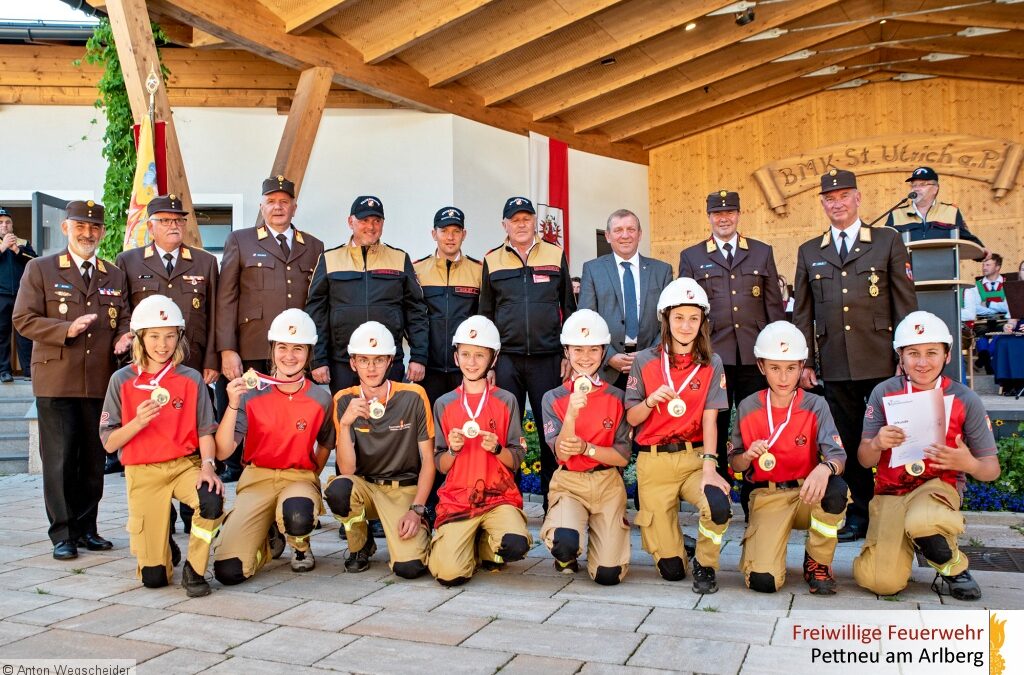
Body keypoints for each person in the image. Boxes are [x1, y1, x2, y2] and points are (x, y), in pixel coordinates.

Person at [793, 169, 917, 543]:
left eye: (844, 196)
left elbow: (906, 304)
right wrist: (806, 363)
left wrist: (906, 354)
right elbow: (802, 312)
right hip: (835, 362)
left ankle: (901, 507)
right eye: (830, 198)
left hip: (881, 359)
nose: (837, 203)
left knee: (892, 435)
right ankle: (860, 513)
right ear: (822, 204)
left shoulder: (887, 241)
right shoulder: (810, 251)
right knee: (847, 439)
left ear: (858, 198)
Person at [13, 200, 132, 560]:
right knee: (61, 460)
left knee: (93, 460)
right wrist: (67, 329)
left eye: (95, 228)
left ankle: (87, 528)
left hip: (99, 381)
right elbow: (23, 319)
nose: (88, 233)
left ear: (103, 233)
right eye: (81, 226)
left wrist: (125, 335)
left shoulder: (112, 273)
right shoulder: (41, 268)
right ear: (67, 228)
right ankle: (63, 533)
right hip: (57, 379)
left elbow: (123, 315)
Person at [853, 311, 1000, 600]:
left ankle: (953, 565)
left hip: (937, 486)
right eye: (913, 353)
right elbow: (864, 459)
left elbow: (990, 469)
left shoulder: (964, 399)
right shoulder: (883, 392)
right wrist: (877, 443)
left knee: (923, 521)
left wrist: (967, 463)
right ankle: (907, 546)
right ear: (901, 357)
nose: (922, 362)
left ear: (947, 355)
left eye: (932, 352)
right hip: (891, 492)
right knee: (881, 582)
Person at [98, 295, 224, 597]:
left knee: (211, 498)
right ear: (139, 338)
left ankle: (195, 568)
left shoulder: (191, 378)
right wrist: (137, 423)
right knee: (154, 578)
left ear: (179, 337)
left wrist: (208, 466)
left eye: (170, 336)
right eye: (154, 336)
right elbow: (108, 442)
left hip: (183, 466)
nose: (162, 344)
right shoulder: (121, 380)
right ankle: (162, 543)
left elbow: (206, 431)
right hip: (142, 473)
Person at [213, 309, 336, 582]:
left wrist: (310, 475)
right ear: (272, 349)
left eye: (298, 348)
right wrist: (232, 404)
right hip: (257, 478)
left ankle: (301, 547)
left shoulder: (320, 398)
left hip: (298, 479)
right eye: (282, 347)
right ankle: (267, 541)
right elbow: (222, 451)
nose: (289, 356)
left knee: (297, 514)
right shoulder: (251, 391)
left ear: (309, 352)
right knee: (228, 571)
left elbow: (326, 441)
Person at [678, 190, 784, 508]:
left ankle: (758, 499)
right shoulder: (692, 256)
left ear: (739, 215)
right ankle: (717, 498)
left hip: (754, 358)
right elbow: (686, 311)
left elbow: (774, 310)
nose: (724, 218)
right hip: (714, 360)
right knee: (716, 427)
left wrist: (775, 355)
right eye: (717, 214)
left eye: (730, 212)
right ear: (709, 217)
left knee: (754, 426)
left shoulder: (761, 252)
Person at [625, 278, 731, 593]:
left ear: (703, 323)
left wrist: (710, 468)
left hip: (694, 459)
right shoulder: (644, 361)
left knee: (718, 504)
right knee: (671, 571)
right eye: (679, 318)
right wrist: (649, 401)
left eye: (693, 319)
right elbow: (631, 418)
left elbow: (711, 421)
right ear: (666, 319)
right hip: (653, 463)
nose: (686, 326)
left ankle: (705, 563)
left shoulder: (712, 363)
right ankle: (677, 547)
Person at [216, 176, 324, 480]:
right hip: (251, 346)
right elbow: (226, 298)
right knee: (246, 409)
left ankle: (286, 465)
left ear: (294, 207)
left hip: (294, 352)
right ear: (262, 206)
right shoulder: (241, 240)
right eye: (271, 201)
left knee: (289, 413)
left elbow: (317, 302)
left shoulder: (314, 246)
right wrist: (227, 349)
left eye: (284, 202)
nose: (278, 207)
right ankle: (239, 469)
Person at [729, 321, 849, 595]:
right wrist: (747, 456)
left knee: (835, 491)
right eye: (775, 368)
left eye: (791, 368)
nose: (783, 377)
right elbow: (735, 463)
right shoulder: (748, 406)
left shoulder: (815, 404)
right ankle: (768, 549)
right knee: (764, 581)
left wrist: (824, 469)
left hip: (807, 492)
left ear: (801, 366)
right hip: (769, 496)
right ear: (761, 367)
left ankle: (817, 561)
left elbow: (837, 455)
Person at [480, 197, 576, 508]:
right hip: (506, 360)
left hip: (548, 358)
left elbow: (568, 308)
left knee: (551, 430)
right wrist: (489, 362)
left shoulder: (555, 254)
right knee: (507, 432)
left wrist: (567, 354)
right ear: (504, 225)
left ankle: (555, 500)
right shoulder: (492, 260)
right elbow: (486, 315)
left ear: (535, 221)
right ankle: (509, 501)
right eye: (515, 219)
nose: (521, 224)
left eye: (526, 218)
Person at [323, 321, 433, 578]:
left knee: (410, 568)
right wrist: (347, 423)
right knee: (339, 489)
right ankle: (360, 544)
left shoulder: (414, 395)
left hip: (403, 489)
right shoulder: (343, 400)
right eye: (363, 360)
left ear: (390, 361)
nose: (371, 368)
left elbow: (428, 459)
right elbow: (347, 470)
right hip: (366, 487)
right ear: (353, 363)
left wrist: (417, 510)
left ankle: (423, 528)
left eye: (378, 360)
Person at [429, 315, 531, 586]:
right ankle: (466, 542)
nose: (472, 362)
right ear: (456, 357)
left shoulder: (506, 399)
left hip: (498, 496)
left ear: (493, 359)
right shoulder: (443, 403)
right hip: (459, 498)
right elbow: (440, 463)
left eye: (479, 355)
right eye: (465, 354)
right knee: (448, 575)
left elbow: (517, 459)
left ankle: (487, 542)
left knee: (515, 544)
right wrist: (452, 450)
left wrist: (497, 448)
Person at [540, 309, 631, 585]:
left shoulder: (617, 397)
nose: (585, 357)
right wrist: (570, 415)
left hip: (606, 482)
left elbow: (622, 457)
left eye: (593, 350)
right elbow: (562, 453)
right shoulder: (552, 397)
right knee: (565, 543)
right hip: (570, 483)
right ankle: (567, 551)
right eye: (577, 350)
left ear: (604, 353)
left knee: (608, 574)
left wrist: (587, 447)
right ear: (566, 351)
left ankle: (601, 543)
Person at [307, 195, 429, 395]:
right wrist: (318, 360)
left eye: (376, 221)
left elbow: (416, 311)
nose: (371, 227)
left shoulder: (399, 259)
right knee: (346, 420)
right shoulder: (329, 259)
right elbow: (316, 313)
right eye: (364, 220)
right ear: (350, 222)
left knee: (388, 422)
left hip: (388, 361)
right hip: (343, 364)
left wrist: (419, 357)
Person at [578, 209, 672, 389]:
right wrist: (609, 356)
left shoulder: (661, 271)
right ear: (607, 235)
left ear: (640, 234)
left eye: (631, 229)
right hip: (607, 367)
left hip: (651, 365)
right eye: (618, 230)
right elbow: (587, 319)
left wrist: (650, 354)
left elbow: (669, 321)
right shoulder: (592, 270)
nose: (625, 235)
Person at [413, 206, 483, 405]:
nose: (450, 237)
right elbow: (412, 317)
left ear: (464, 234)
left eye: (456, 231)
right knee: (430, 429)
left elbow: (484, 318)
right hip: (428, 368)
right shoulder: (417, 270)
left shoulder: (478, 271)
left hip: (467, 369)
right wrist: (418, 357)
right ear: (434, 234)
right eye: (444, 231)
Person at [887, 166, 987, 259]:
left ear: (935, 189)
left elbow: (965, 237)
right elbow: (886, 246)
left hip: (944, 273)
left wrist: (982, 251)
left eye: (922, 185)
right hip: (906, 275)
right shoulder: (896, 214)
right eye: (914, 185)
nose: (916, 188)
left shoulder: (951, 211)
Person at [0, 206, 36, 382]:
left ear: (12, 226)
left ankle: (29, 370)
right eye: (1, 223)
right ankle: (4, 371)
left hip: (22, 295)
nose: (4, 225)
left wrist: (17, 250)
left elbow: (35, 262)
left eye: (8, 222)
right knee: (1, 333)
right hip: (1, 295)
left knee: (25, 332)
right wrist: (3, 247)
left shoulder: (23, 243)